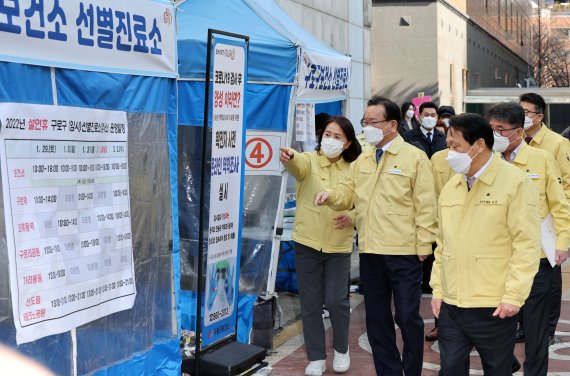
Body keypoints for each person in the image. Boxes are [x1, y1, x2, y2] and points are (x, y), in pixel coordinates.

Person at [314, 96, 437, 376]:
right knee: (377, 320)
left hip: (405, 251)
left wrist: (424, 244)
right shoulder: (364, 158)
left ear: (392, 124)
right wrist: (331, 195)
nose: (367, 127)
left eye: (373, 122)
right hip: (371, 250)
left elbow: (426, 204)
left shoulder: (414, 157)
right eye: (364, 122)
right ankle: (389, 371)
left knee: (407, 317)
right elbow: (349, 192)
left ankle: (411, 369)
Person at [430, 113, 541, 375]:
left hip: (493, 306)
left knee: (497, 369)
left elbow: (526, 245)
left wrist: (514, 296)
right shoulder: (452, 187)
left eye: (455, 146)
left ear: (478, 145)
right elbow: (442, 245)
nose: (449, 153)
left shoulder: (515, 182)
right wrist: (438, 289)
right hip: (453, 305)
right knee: (451, 369)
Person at [487, 102, 570, 375]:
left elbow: (560, 204)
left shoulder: (541, 159)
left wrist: (562, 244)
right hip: (498, 257)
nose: (495, 135)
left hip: (536, 257)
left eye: (501, 129)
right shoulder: (487, 162)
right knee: (494, 323)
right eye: (491, 129)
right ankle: (507, 362)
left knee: (535, 329)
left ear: (519, 131)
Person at [279, 116, 362, 376]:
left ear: (348, 143)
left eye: (337, 137)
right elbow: (298, 165)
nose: (331, 140)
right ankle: (316, 357)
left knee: (336, 300)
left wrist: (353, 217)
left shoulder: (355, 168)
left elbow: (360, 201)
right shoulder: (309, 159)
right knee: (311, 302)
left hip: (338, 245)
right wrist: (291, 156)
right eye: (327, 134)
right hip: (307, 242)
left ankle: (341, 349)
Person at [519, 92, 570, 346]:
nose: (523, 117)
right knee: (522, 273)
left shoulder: (557, 144)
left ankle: (548, 329)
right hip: (520, 220)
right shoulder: (514, 140)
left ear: (539, 116)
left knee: (550, 279)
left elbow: (567, 185)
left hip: (548, 221)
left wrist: (559, 223)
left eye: (527, 112)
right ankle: (523, 324)